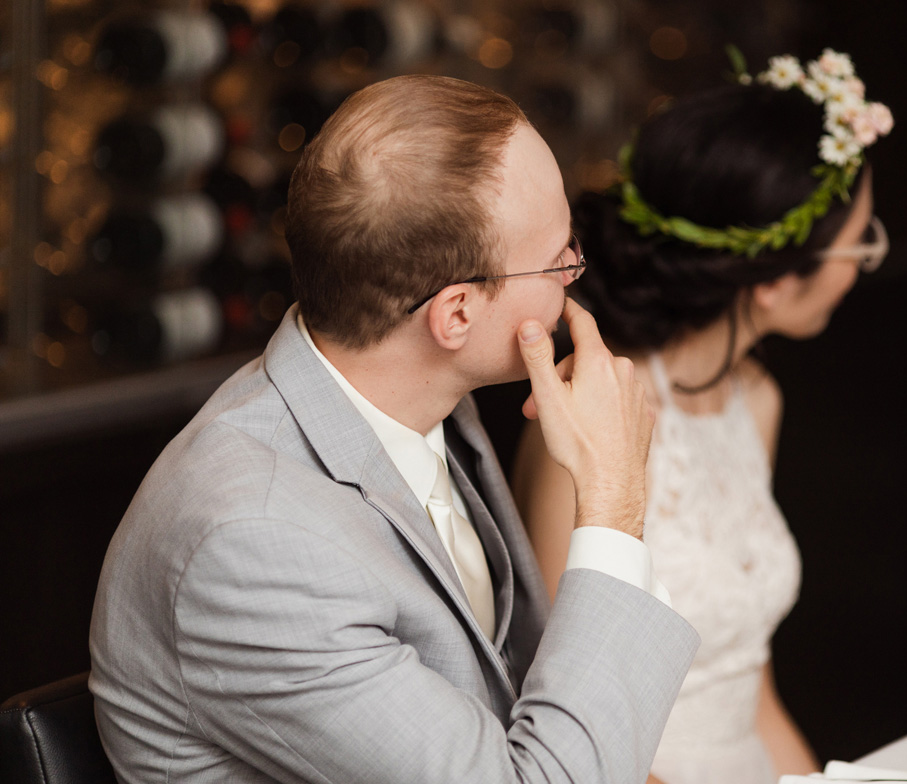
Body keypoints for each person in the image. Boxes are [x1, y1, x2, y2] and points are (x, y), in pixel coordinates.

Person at [88, 75, 699, 784]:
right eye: (560, 256)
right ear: (457, 314)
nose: (573, 275)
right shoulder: (253, 544)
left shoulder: (426, 400)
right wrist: (615, 496)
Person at [512, 50, 894, 784]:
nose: (864, 266)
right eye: (861, 244)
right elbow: (565, 705)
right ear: (779, 283)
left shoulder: (759, 402)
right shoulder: (586, 409)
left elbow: (752, 694)